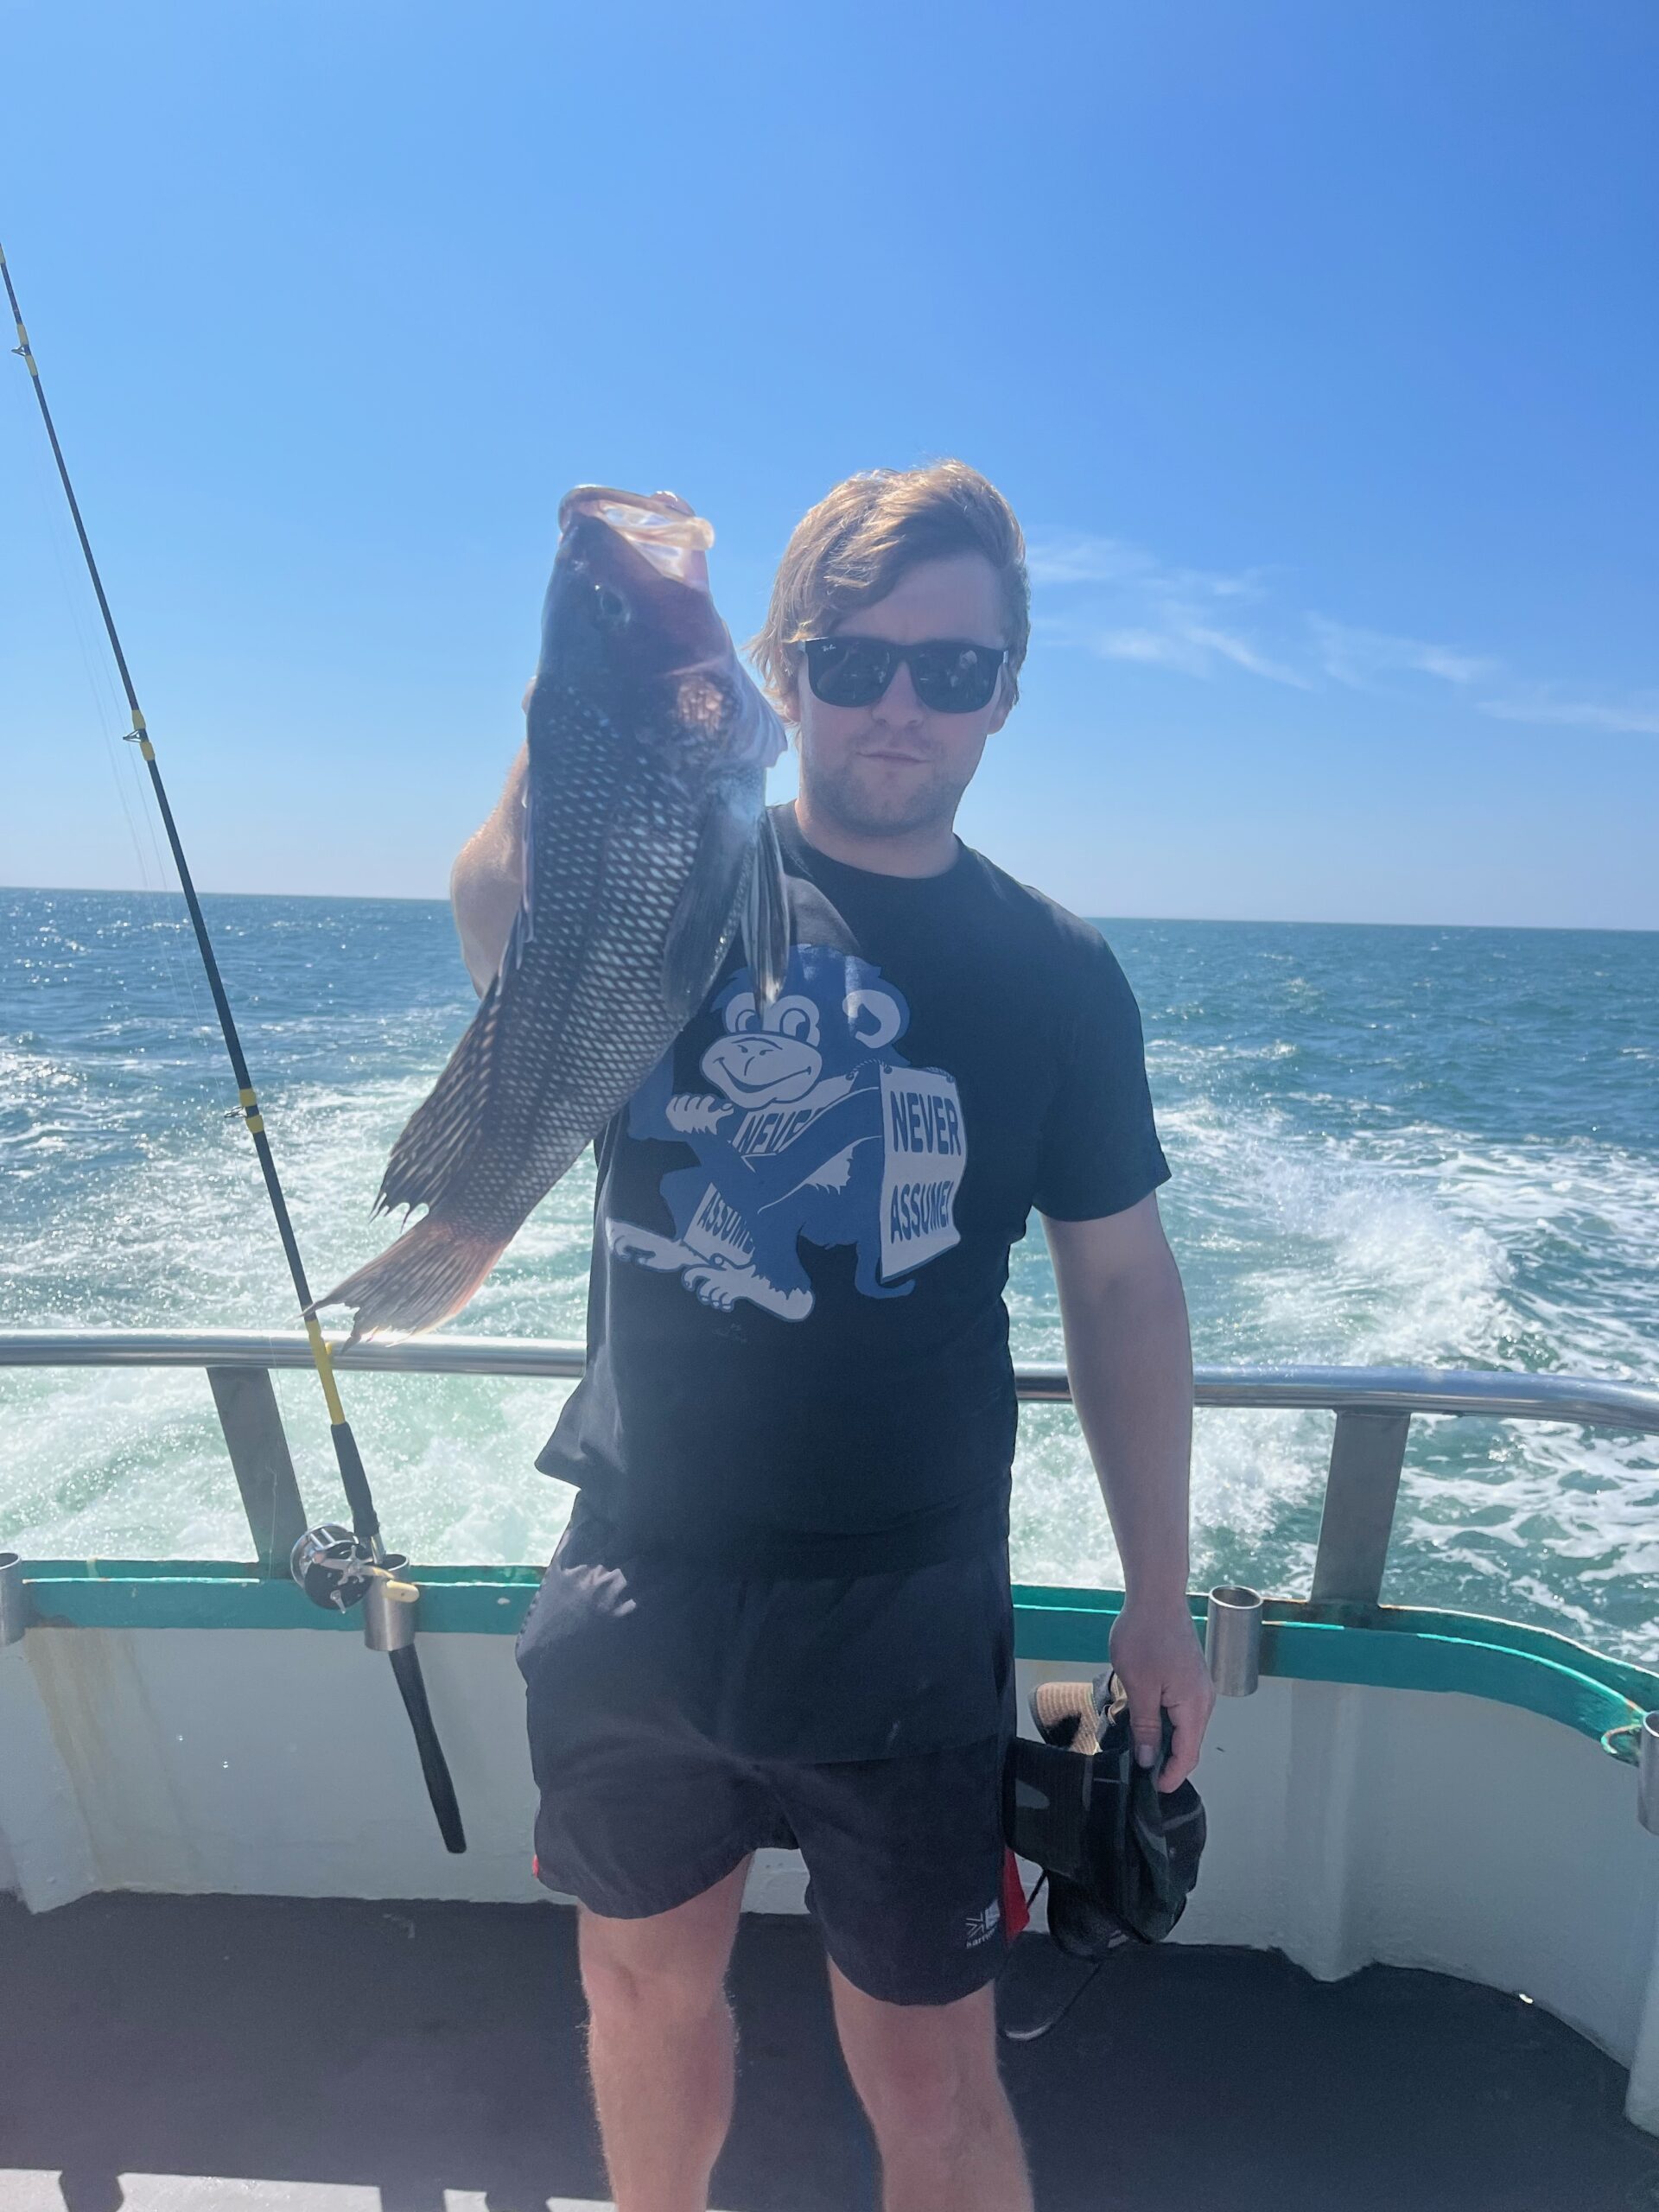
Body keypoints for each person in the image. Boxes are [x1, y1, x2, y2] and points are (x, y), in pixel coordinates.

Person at [454, 461, 1215, 2212]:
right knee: (638, 1989)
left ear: (1006, 695)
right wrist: (582, 702)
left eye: (952, 671)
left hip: (908, 1604)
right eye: (855, 659)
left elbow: (1122, 1288)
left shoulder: (1057, 972)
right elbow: (496, 913)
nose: (898, 703)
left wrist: (1159, 1594)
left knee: (933, 2070)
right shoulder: (662, 877)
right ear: (780, 671)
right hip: (638, 1567)